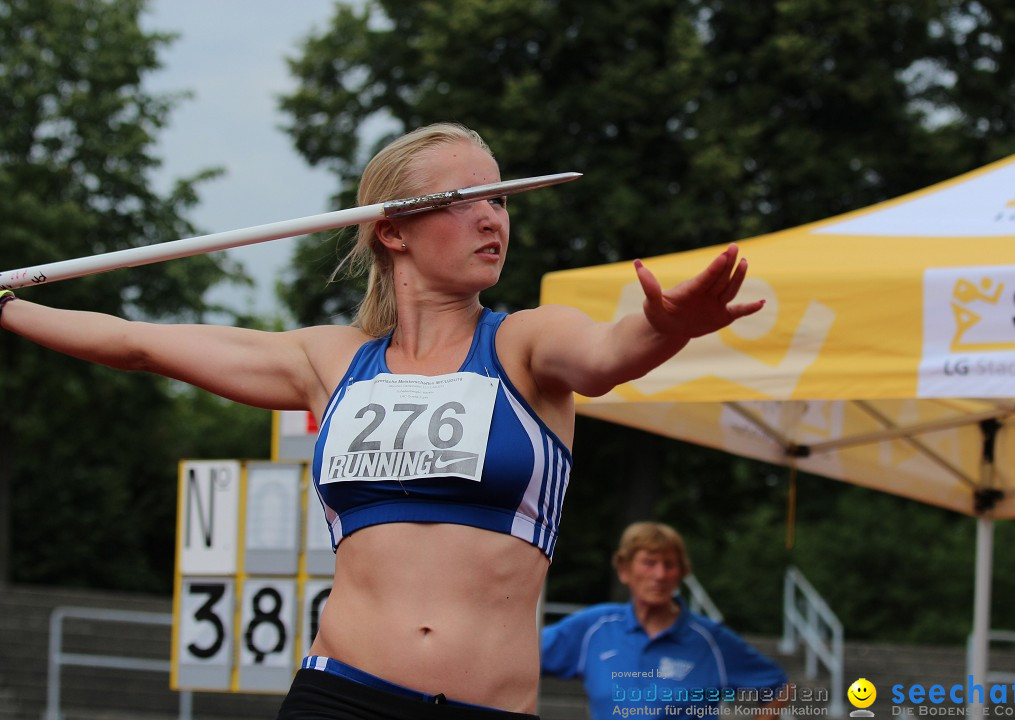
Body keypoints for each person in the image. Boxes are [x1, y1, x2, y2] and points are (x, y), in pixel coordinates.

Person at [0, 122, 764, 719]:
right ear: (392, 230)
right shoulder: (332, 361)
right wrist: (8, 306)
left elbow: (608, 352)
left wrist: (667, 326)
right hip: (341, 696)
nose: (492, 217)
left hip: (486, 709)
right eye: (465, 199)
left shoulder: (528, 342)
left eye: (499, 198)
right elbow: (138, 345)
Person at [541, 521, 790, 718]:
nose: (659, 575)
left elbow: (779, 687)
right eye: (649, 563)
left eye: (669, 565)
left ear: (682, 573)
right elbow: (518, 655)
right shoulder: (594, 628)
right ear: (624, 570)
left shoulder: (710, 640)